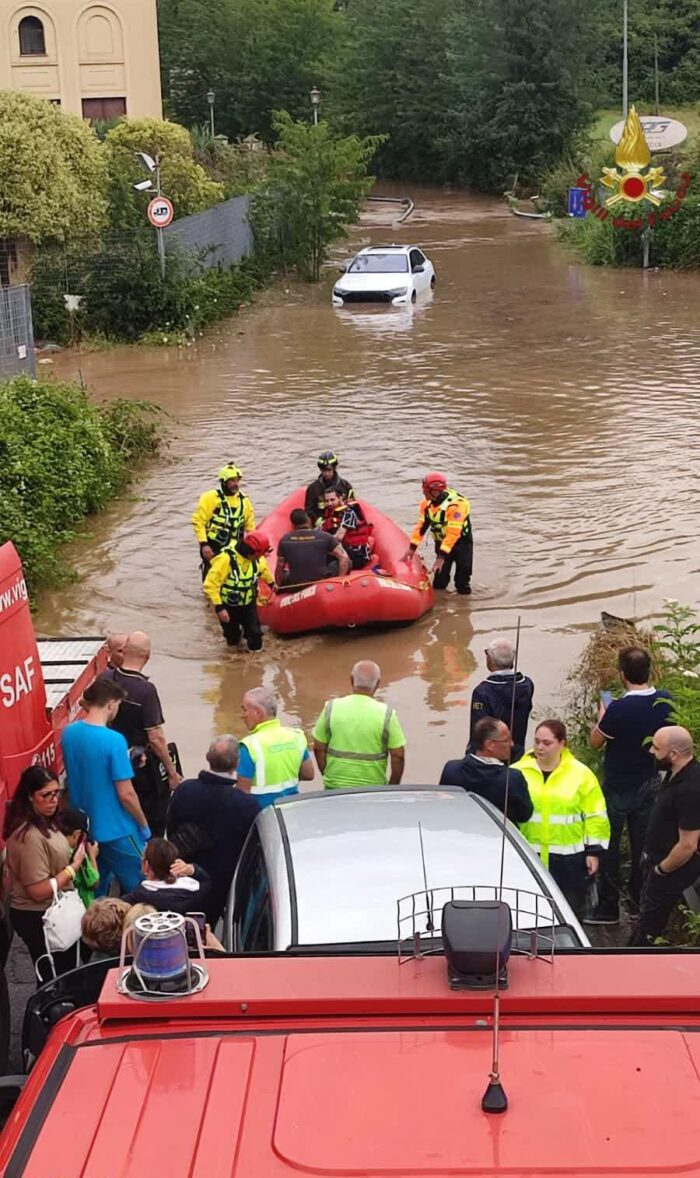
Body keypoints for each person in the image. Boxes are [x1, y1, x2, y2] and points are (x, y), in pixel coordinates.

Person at [587, 646, 673, 925]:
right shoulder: (665, 700)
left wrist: (603, 714)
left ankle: (608, 908)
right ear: (650, 671)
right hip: (650, 782)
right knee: (643, 845)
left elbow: (596, 741)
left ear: (622, 674)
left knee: (609, 845)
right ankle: (638, 902)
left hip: (617, 785)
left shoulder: (619, 708)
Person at [61, 679, 150, 895]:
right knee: (146, 886)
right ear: (110, 704)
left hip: (86, 832)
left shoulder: (69, 734)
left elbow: (85, 770)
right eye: (118, 705)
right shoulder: (114, 740)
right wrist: (143, 824)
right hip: (118, 829)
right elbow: (126, 793)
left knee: (95, 890)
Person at [514, 720, 610, 915]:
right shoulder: (517, 772)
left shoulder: (581, 775)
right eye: (537, 741)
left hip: (569, 862)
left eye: (547, 743)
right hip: (529, 857)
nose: (540, 747)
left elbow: (596, 816)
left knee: (569, 914)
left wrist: (594, 852)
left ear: (562, 744)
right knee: (529, 914)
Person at [167, 735, 260, 926]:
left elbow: (171, 828)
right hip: (223, 881)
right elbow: (250, 847)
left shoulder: (185, 791)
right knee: (208, 925)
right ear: (236, 763)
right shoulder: (246, 804)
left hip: (184, 872)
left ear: (207, 758)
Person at [3, 767, 85, 980]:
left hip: (55, 909)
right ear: (30, 797)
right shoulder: (28, 837)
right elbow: (38, 891)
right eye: (45, 795)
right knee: (53, 979)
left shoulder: (46, 820)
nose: (53, 800)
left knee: (64, 973)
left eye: (56, 793)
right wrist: (73, 866)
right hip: (40, 916)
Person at [100, 630, 182, 837]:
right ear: (148, 656)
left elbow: (86, 703)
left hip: (112, 761)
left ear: (124, 651)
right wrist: (171, 773)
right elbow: (156, 738)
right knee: (154, 817)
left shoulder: (106, 678)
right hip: (142, 768)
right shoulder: (146, 690)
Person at [629, 726, 700, 946]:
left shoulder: (690, 788)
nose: (651, 751)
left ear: (674, 754)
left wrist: (662, 870)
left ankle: (637, 963)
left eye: (657, 748)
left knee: (649, 928)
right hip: (656, 862)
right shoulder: (676, 773)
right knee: (645, 919)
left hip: (670, 871)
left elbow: (688, 844)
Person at [313, 660, 406, 789]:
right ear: (378, 684)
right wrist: (392, 786)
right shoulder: (387, 714)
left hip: (334, 788)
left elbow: (318, 747)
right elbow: (398, 755)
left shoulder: (331, 707)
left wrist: (327, 774)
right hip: (372, 789)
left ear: (351, 680)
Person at [440, 717, 533, 824]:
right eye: (506, 740)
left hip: (460, 835)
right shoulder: (511, 778)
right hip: (497, 838)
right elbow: (524, 815)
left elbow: (443, 806)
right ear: (490, 745)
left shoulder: (451, 769)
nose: (512, 744)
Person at [238, 688, 314, 806]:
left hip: (261, 817)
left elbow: (242, 795)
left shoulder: (249, 745)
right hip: (291, 812)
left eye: (245, 710)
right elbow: (309, 774)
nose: (242, 716)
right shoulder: (296, 736)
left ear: (258, 712)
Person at [203, 530, 275, 651]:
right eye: (258, 555)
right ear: (250, 553)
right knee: (232, 640)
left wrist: (272, 584)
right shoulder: (226, 560)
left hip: (249, 604)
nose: (261, 557)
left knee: (255, 638)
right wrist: (219, 608)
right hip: (228, 606)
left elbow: (263, 572)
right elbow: (210, 584)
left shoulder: (258, 559)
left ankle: (254, 663)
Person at [404, 472, 473, 595]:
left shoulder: (457, 506)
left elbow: (453, 533)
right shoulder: (426, 505)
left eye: (425, 490)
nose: (423, 493)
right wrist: (411, 548)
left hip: (462, 544)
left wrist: (441, 558)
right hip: (441, 543)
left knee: (462, 581)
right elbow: (421, 527)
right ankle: (441, 604)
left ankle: (463, 608)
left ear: (435, 491)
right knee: (439, 581)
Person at [468, 639, 535, 761]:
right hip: (517, 753)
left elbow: (478, 732)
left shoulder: (483, 692)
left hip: (490, 758)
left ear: (490, 659)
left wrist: (470, 760)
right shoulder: (527, 684)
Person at [192, 464, 256, 574]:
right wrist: (204, 545)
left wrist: (254, 545)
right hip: (214, 547)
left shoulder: (244, 500)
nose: (235, 484)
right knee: (212, 577)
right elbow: (199, 521)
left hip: (236, 548)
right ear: (223, 482)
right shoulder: (210, 498)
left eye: (237, 481)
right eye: (232, 481)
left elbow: (250, 525)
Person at [122, 838, 211, 915]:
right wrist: (193, 869)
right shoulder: (192, 889)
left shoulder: (140, 895)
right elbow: (206, 881)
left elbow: (116, 905)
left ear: (146, 865)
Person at [276, 508, 350, 587]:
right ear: (309, 521)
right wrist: (340, 580)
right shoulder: (325, 536)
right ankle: (338, 585)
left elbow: (280, 565)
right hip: (321, 583)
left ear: (293, 525)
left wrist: (280, 586)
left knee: (287, 573)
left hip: (296, 585)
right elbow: (344, 558)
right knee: (347, 562)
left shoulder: (284, 540)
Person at [56, 807, 100, 909]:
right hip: (80, 909)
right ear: (76, 834)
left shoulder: (53, 848)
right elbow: (94, 883)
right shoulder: (79, 855)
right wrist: (92, 856)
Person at [322, 489, 373, 570]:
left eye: (332, 500)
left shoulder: (349, 513)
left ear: (340, 498)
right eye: (327, 501)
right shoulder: (331, 512)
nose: (329, 503)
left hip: (357, 555)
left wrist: (320, 542)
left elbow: (339, 537)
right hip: (346, 550)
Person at [304, 451, 355, 524]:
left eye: (329, 470)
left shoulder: (345, 486)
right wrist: (319, 521)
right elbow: (309, 510)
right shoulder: (313, 489)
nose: (326, 473)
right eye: (323, 470)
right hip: (321, 523)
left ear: (334, 468)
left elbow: (352, 505)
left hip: (342, 521)